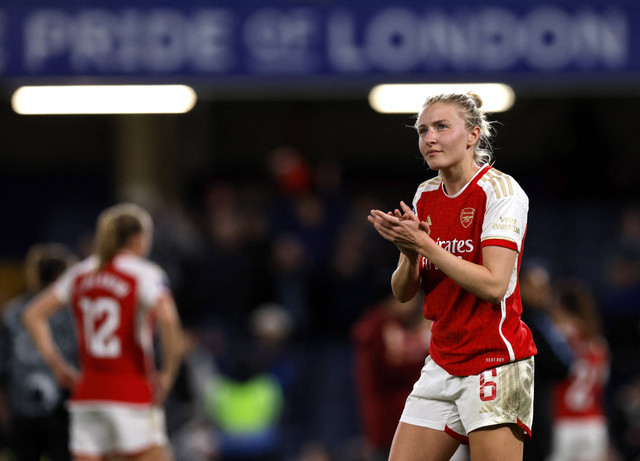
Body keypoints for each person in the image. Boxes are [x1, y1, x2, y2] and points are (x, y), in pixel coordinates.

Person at [367, 92, 537, 461]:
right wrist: (409, 251)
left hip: (494, 360)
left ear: (473, 135)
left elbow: (494, 285)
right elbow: (402, 293)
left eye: (442, 127)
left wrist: (425, 245)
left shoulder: (501, 192)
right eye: (423, 130)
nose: (429, 138)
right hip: (442, 360)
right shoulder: (425, 194)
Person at [23, 203, 184, 461]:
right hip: (132, 393)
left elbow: (32, 315)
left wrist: (57, 366)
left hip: (88, 395)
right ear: (138, 238)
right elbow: (169, 320)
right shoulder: (144, 273)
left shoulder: (80, 273)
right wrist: (169, 372)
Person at [0, 243, 77, 461]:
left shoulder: (14, 312)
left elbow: (2, 364)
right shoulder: (71, 312)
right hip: (63, 409)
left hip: (21, 408)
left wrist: (4, 407)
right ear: (61, 276)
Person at [351, 292, 430, 461]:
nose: (414, 303)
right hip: (387, 419)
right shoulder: (376, 328)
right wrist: (426, 351)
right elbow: (392, 369)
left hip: (391, 416)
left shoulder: (391, 326)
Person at [548, 278, 610, 461]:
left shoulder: (557, 337)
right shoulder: (598, 342)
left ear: (562, 306)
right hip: (593, 424)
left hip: (562, 422)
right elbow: (601, 381)